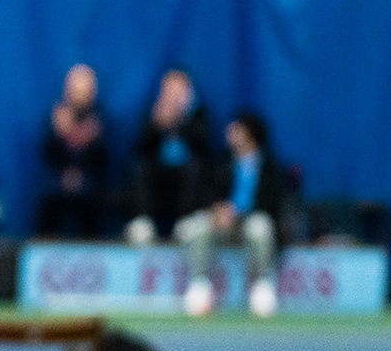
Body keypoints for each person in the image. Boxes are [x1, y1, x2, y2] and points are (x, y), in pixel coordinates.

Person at [176, 111, 285, 318]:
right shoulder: (221, 162)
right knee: (198, 227)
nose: (229, 132)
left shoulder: (270, 166)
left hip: (249, 223)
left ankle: (262, 288)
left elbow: (272, 205)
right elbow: (207, 194)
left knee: (261, 226)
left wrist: (238, 213)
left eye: (236, 129)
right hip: (222, 223)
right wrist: (218, 210)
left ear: (249, 134)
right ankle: (200, 287)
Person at [126, 67, 216, 244]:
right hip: (159, 173)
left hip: (186, 176)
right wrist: (156, 126)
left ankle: (186, 220)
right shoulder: (154, 112)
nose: (172, 95)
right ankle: (143, 222)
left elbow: (202, 145)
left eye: (177, 90)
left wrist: (181, 118)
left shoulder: (198, 114)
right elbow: (141, 147)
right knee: (140, 166)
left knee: (194, 168)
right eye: (168, 89)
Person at [35, 63, 111, 238]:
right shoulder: (56, 115)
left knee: (93, 197)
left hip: (90, 178)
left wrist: (93, 140)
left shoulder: (101, 118)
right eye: (76, 88)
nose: (80, 94)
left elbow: (104, 160)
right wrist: (58, 135)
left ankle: (94, 251)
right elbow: (46, 155)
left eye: (85, 89)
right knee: (48, 195)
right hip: (59, 177)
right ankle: (44, 247)